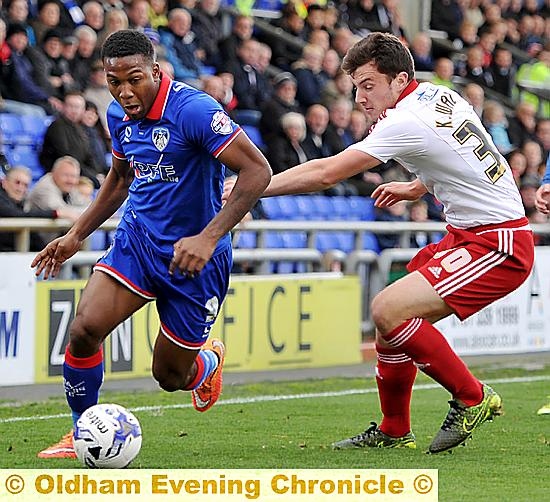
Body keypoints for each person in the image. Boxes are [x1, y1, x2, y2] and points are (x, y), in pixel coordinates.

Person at [225, 32, 534, 454]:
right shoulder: (440, 96)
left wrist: (254, 187)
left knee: (387, 310)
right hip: (472, 233)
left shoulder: (405, 120)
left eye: (369, 85)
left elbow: (327, 173)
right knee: (393, 323)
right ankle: (394, 431)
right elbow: (464, 152)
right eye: (355, 87)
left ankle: (472, 397)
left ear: (400, 79)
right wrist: (418, 185)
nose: (360, 98)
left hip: (498, 244)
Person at [33, 29, 271, 459]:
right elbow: (120, 179)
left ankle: (206, 365)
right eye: (113, 81)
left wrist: (208, 237)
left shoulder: (194, 110)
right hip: (138, 242)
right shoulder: (117, 115)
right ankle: (82, 431)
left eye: (134, 79)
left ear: (156, 71)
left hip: (195, 259)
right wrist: (74, 235)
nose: (124, 92)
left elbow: (258, 171)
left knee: (168, 376)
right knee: (84, 330)